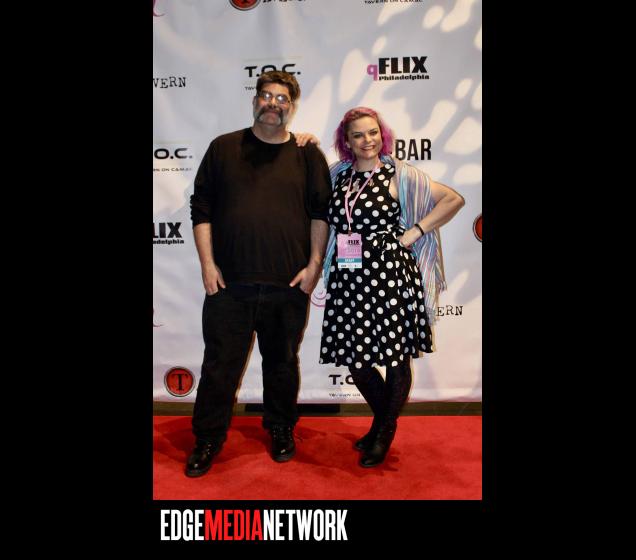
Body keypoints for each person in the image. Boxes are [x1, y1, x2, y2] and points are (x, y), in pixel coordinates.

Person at [186, 71, 331, 477]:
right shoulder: (223, 148)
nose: (273, 103)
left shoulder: (308, 155)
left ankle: (281, 428)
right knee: (219, 367)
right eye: (266, 95)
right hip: (229, 285)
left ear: (292, 107)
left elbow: (320, 214)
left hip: (288, 285)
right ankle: (207, 439)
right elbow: (201, 209)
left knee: (282, 363)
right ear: (255, 101)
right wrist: (207, 264)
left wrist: (314, 265)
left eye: (282, 98)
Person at [319, 107, 465, 468]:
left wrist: (415, 232)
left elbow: (453, 200)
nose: (366, 140)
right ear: (346, 141)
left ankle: (383, 431)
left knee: (396, 357)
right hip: (349, 278)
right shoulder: (338, 175)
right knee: (356, 360)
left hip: (390, 277)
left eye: (372, 132)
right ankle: (383, 422)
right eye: (357, 134)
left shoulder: (399, 174)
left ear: (381, 135)